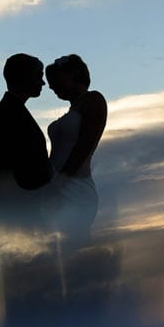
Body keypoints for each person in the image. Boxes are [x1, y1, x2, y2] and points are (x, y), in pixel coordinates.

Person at [0, 53, 53, 236]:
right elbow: (26, 167)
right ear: (24, 77)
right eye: (38, 76)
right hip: (20, 210)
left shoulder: (11, 109)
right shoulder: (11, 113)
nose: (43, 83)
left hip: (16, 207)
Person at [44, 54, 106, 244]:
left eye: (56, 80)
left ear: (73, 75)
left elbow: (85, 145)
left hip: (76, 189)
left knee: (75, 246)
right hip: (58, 187)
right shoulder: (72, 111)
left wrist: (61, 180)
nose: (51, 86)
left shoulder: (94, 100)